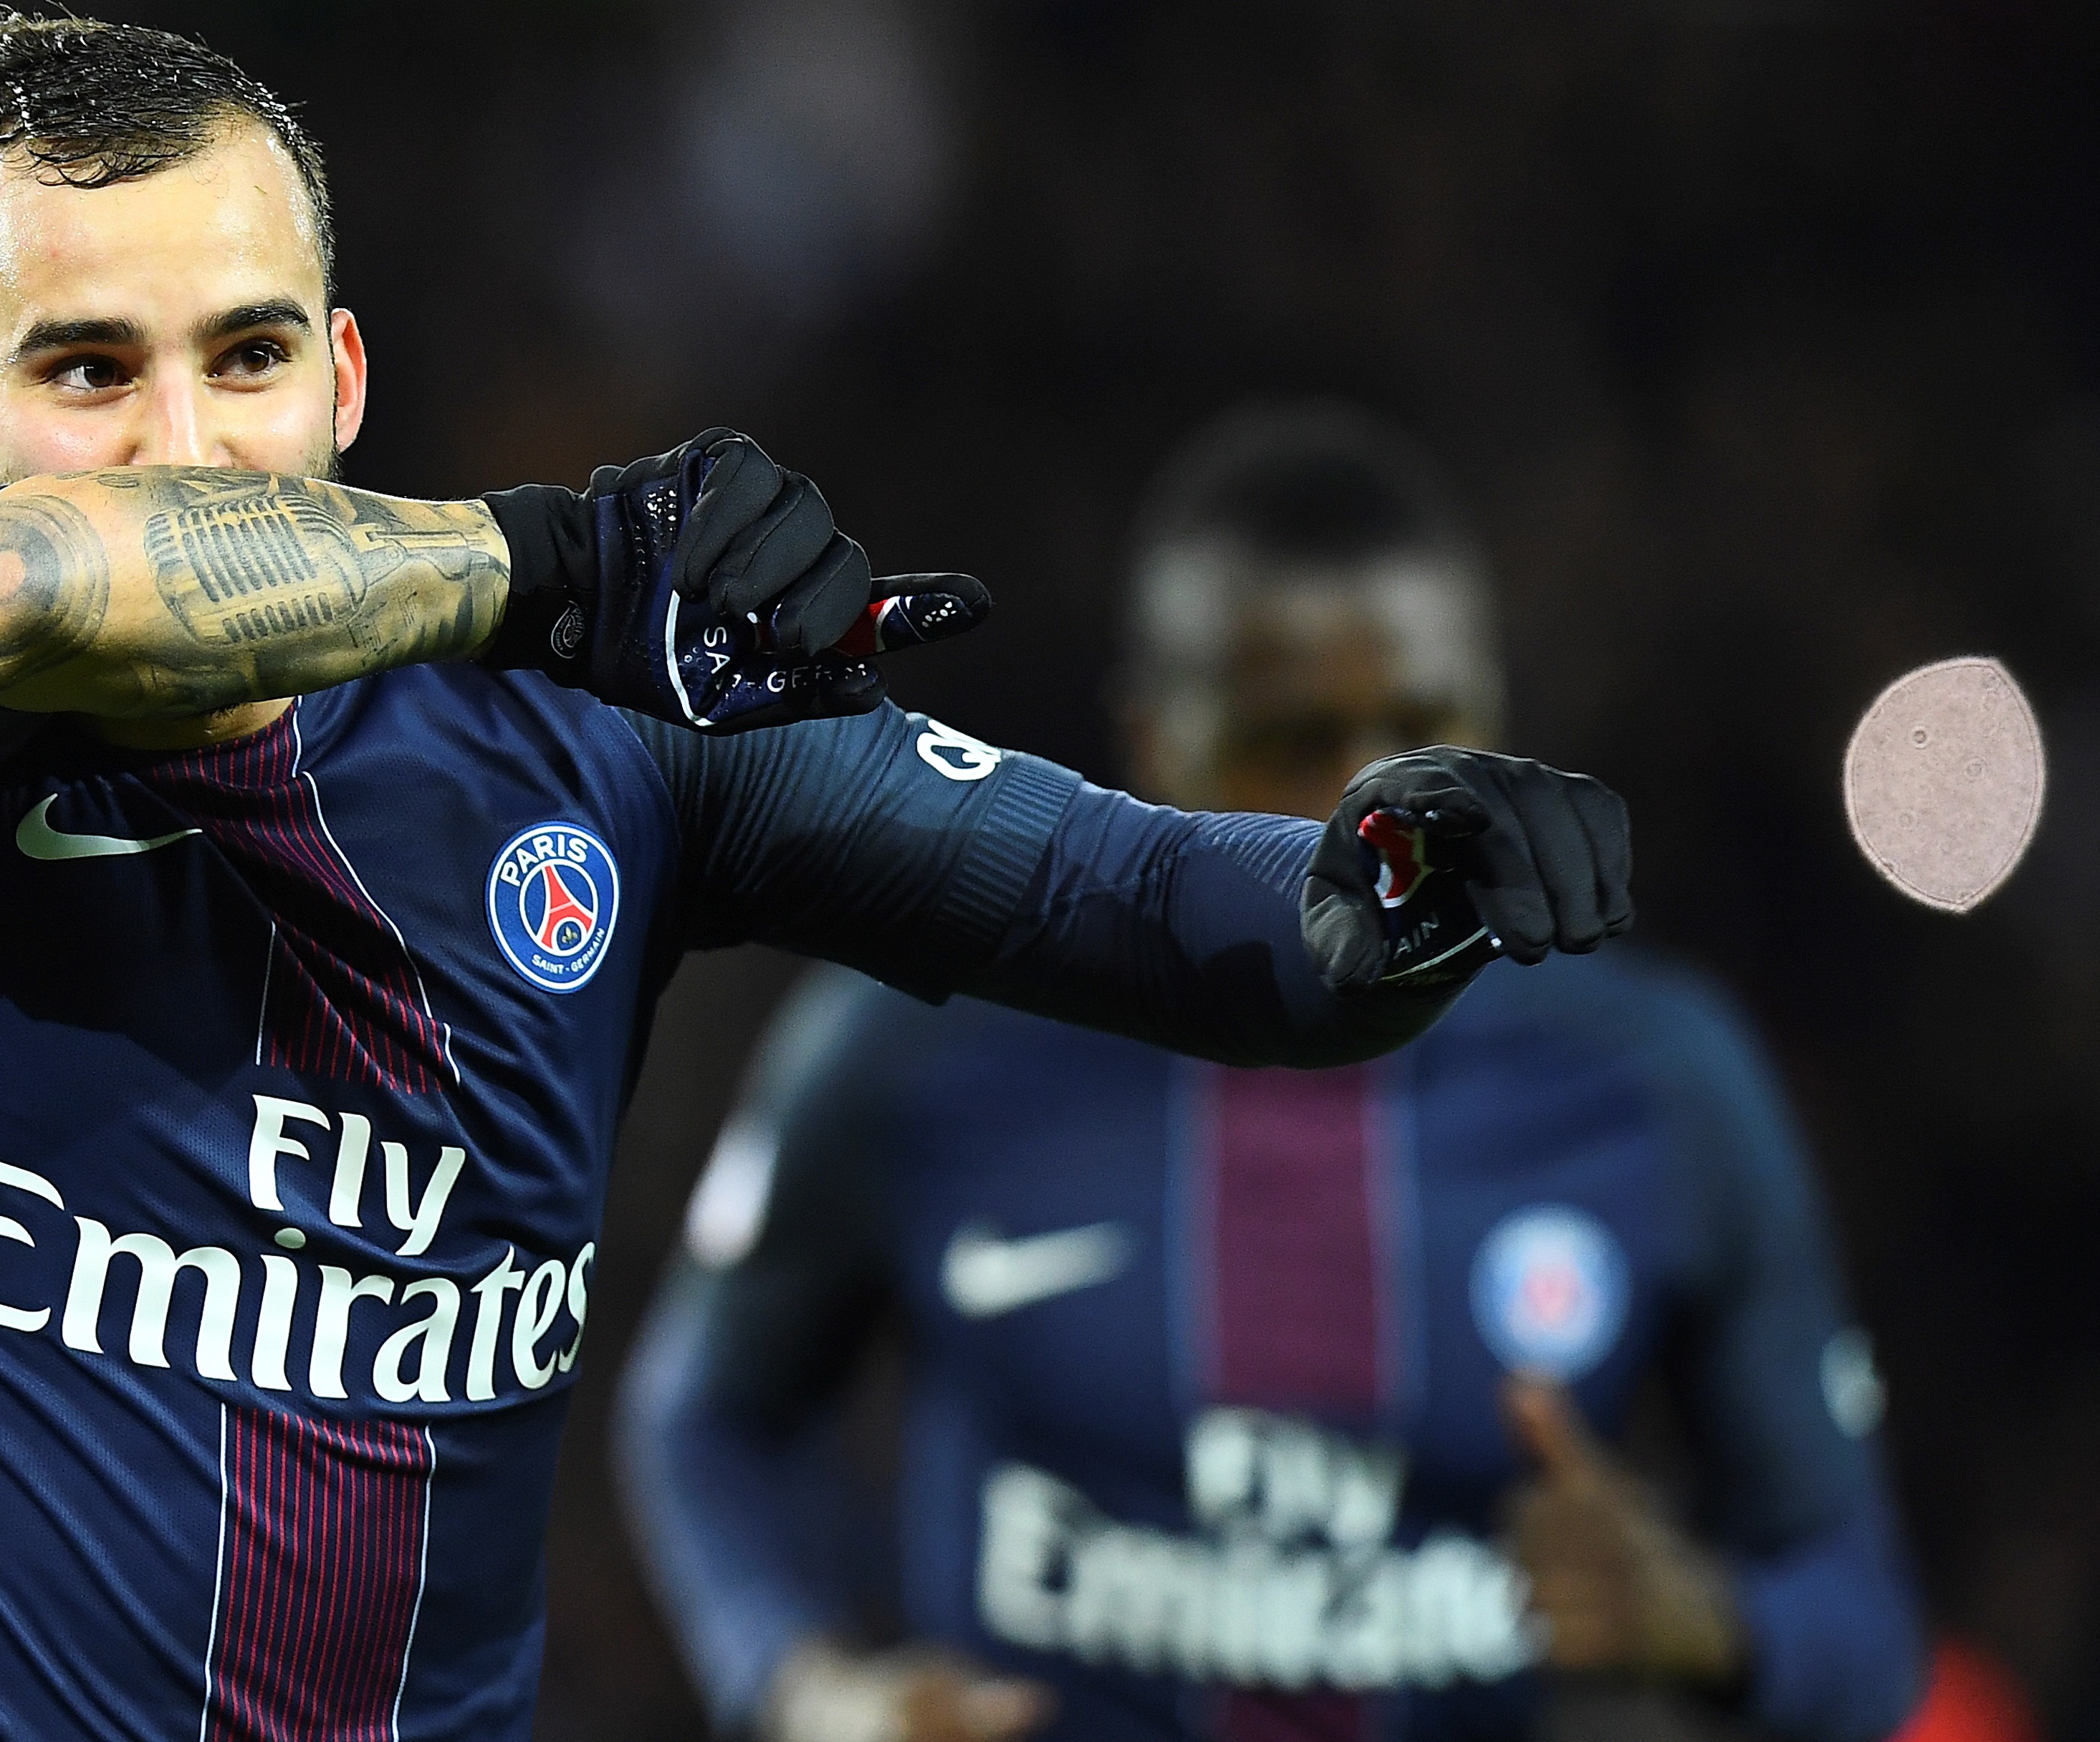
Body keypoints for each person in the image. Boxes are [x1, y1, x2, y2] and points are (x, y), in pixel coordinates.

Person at [0, 19, 1632, 1742]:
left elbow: (1150, 905)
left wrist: (1390, 891)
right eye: (86, 372)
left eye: (244, 357)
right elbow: (49, 585)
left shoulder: (587, 749)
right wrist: (561, 563)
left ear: (341, 380)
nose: (187, 444)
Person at [613, 402, 1924, 1742]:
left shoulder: (1658, 1082)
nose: (1379, 804)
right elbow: (706, 1419)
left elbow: (1863, 1628)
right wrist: (808, 1686)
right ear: (1154, 745)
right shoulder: (923, 1029)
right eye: (1296, 739)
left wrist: (1714, 1622)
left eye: (1425, 722)